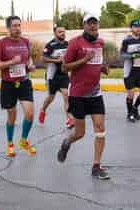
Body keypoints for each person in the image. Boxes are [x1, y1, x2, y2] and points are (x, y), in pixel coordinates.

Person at [57, 14, 111, 180]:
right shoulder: (75, 42)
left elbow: (95, 62)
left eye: (95, 24)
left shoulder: (100, 43)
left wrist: (101, 68)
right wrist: (83, 60)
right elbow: (64, 68)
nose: (93, 27)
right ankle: (67, 142)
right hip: (78, 94)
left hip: (95, 93)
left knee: (100, 129)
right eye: (90, 24)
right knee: (80, 133)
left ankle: (96, 166)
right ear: (84, 26)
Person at [0, 16, 37, 157]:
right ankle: (10, 143)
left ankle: (23, 140)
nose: (17, 28)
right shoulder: (2, 43)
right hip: (8, 84)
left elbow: (28, 58)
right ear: (8, 28)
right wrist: (11, 62)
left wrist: (30, 65)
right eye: (14, 26)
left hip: (24, 82)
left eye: (19, 25)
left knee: (29, 114)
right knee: (12, 115)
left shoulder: (25, 42)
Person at [38, 26, 74, 128]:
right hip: (52, 75)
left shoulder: (68, 44)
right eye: (60, 32)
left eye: (63, 31)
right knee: (51, 97)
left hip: (63, 74)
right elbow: (43, 58)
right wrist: (56, 60)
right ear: (55, 33)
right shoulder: (50, 45)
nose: (62, 33)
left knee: (66, 95)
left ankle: (69, 119)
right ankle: (43, 110)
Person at [120, 19, 140, 122]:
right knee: (131, 93)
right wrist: (132, 55)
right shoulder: (127, 40)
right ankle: (129, 113)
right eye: (136, 26)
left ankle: (135, 108)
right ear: (131, 28)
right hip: (130, 71)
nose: (138, 28)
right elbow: (122, 55)